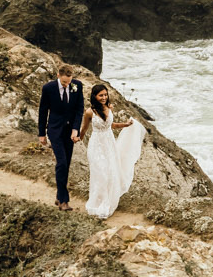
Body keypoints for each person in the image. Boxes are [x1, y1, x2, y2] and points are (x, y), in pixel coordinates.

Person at [79, 82, 145, 218]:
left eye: (105, 95)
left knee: (110, 172)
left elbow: (111, 125)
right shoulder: (89, 112)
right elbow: (84, 129)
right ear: (94, 96)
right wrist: (77, 138)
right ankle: (97, 203)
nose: (104, 97)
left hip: (109, 144)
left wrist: (125, 125)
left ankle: (107, 201)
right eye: (100, 95)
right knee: (100, 173)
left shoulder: (108, 108)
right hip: (96, 145)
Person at [36, 63, 85, 210]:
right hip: (55, 130)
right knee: (62, 163)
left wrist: (76, 129)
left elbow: (79, 109)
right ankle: (64, 201)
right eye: (64, 82)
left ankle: (59, 196)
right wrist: (41, 133)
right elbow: (43, 111)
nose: (67, 84)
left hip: (70, 131)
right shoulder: (48, 88)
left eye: (69, 82)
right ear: (58, 76)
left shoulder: (77, 85)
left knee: (66, 164)